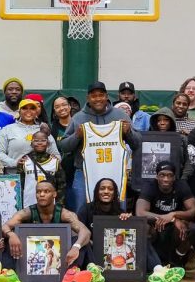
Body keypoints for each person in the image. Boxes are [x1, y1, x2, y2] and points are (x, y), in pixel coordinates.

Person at [59, 81, 137, 210]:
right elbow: (64, 146)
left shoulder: (120, 115)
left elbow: (137, 143)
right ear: (88, 98)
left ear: (106, 96)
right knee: (82, 210)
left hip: (114, 172)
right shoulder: (78, 118)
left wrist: (129, 132)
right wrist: (76, 136)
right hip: (83, 172)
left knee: (118, 210)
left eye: (101, 95)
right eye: (94, 96)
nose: (98, 99)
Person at [3, 177, 90, 270]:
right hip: (33, 252)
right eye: (38, 192)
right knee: (7, 240)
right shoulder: (26, 212)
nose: (42, 194)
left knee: (82, 242)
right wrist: (11, 234)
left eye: (46, 191)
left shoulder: (65, 214)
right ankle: (9, 273)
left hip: (59, 253)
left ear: (54, 194)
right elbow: (5, 226)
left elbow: (85, 231)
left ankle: (74, 273)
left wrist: (76, 247)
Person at [135, 161, 195, 269]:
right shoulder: (150, 186)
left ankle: (177, 260)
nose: (166, 179)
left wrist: (173, 214)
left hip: (176, 225)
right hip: (155, 223)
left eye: (169, 176)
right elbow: (140, 213)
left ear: (174, 177)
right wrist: (170, 219)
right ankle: (147, 264)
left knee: (190, 228)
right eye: (162, 175)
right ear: (156, 176)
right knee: (144, 228)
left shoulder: (181, 185)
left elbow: (194, 210)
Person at [0, 96, 60, 169]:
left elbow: (56, 155)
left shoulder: (44, 130)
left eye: (32, 108)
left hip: (41, 178)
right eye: (24, 108)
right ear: (19, 111)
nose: (28, 111)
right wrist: (14, 162)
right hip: (15, 177)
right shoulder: (7, 130)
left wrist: (52, 161)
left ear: (36, 112)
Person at [21, 129, 64, 207]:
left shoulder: (54, 161)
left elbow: (61, 185)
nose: (40, 143)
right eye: (36, 140)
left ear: (48, 144)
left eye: (43, 140)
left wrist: (59, 204)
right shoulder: (24, 161)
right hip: (28, 204)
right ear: (31, 144)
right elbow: (20, 185)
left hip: (50, 206)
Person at [50, 95, 78, 199]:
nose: (61, 108)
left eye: (64, 105)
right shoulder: (51, 128)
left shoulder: (78, 124)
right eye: (57, 107)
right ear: (54, 111)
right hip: (60, 175)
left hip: (78, 172)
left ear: (70, 107)